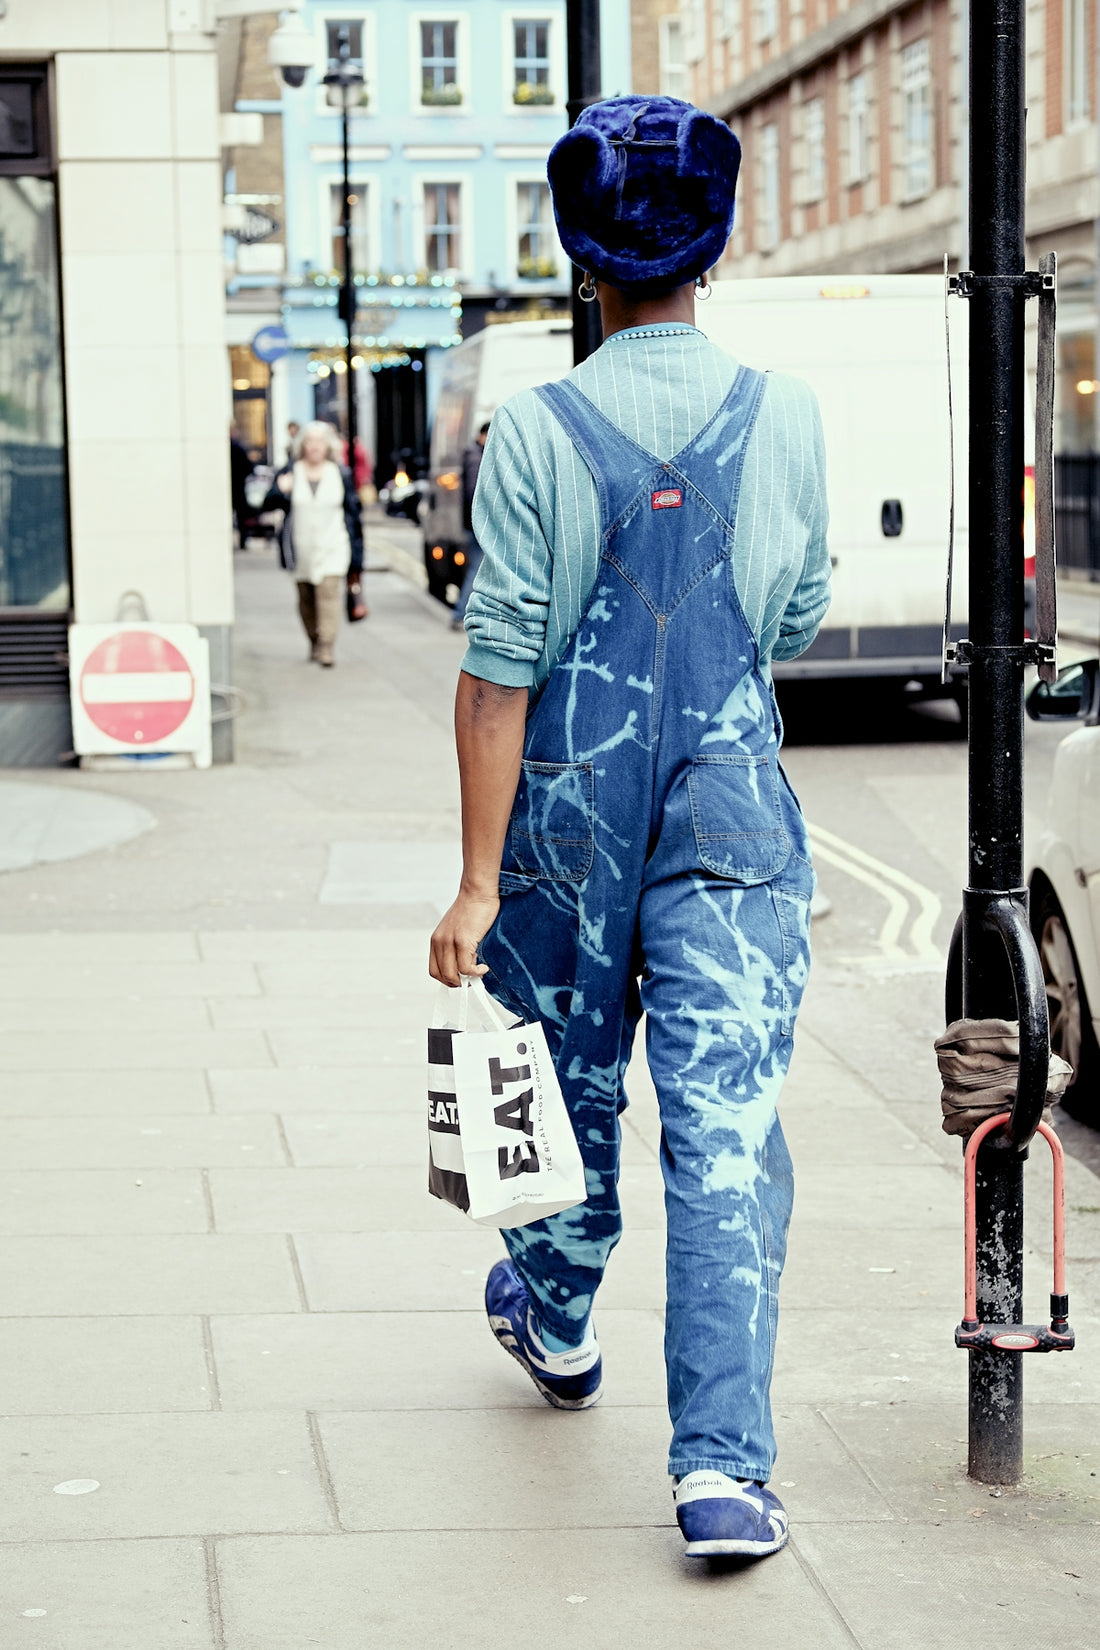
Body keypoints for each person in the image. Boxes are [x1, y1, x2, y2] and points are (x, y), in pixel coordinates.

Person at [429, 95, 830, 1561]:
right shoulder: (785, 414)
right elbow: (793, 611)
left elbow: (496, 676)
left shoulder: (533, 432)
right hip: (732, 809)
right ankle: (721, 1469)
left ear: (580, 260)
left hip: (566, 819)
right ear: (710, 254)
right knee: (722, 1135)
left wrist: (477, 882)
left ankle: (558, 1309)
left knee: (555, 1080)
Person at [264, 421, 365, 666]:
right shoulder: (291, 471)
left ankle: (326, 646)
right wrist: (281, 491)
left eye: (319, 442)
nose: (314, 447)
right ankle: (313, 640)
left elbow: (353, 514)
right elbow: (267, 503)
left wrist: (357, 557)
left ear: (327, 446)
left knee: (328, 596)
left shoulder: (340, 473)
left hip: (333, 546)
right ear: (302, 446)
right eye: (309, 441)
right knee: (306, 600)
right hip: (301, 550)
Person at [450, 420, 490, 631]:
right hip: (478, 524)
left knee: (478, 568)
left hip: (474, 523)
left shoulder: (473, 454)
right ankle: (459, 614)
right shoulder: (475, 457)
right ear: (483, 436)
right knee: (477, 569)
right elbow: (474, 491)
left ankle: (464, 614)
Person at [229, 425, 254, 549]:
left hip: (234, 487)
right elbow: (249, 468)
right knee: (241, 516)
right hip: (238, 487)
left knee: (238, 515)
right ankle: (243, 541)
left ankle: (241, 540)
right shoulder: (238, 448)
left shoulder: (231, 449)